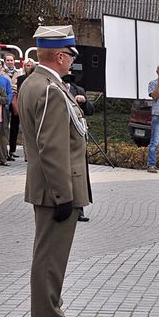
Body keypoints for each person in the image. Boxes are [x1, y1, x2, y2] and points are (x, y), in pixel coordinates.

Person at [20, 25, 91, 317]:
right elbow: (52, 148)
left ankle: (53, 314)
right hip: (56, 190)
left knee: (50, 256)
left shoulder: (35, 82)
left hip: (50, 187)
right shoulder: (49, 88)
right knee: (50, 257)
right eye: (70, 55)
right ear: (61, 56)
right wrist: (64, 195)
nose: (71, 61)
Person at [63, 70, 95, 223]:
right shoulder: (54, 88)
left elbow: (90, 111)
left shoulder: (78, 89)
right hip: (61, 137)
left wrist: (85, 101)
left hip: (77, 138)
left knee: (79, 173)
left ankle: (79, 209)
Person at [10, 58, 35, 159]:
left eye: (30, 65)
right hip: (20, 104)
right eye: (27, 65)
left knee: (29, 130)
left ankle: (28, 155)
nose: (28, 67)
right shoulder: (20, 78)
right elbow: (19, 92)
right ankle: (12, 150)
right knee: (14, 127)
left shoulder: (36, 78)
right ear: (24, 66)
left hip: (32, 106)